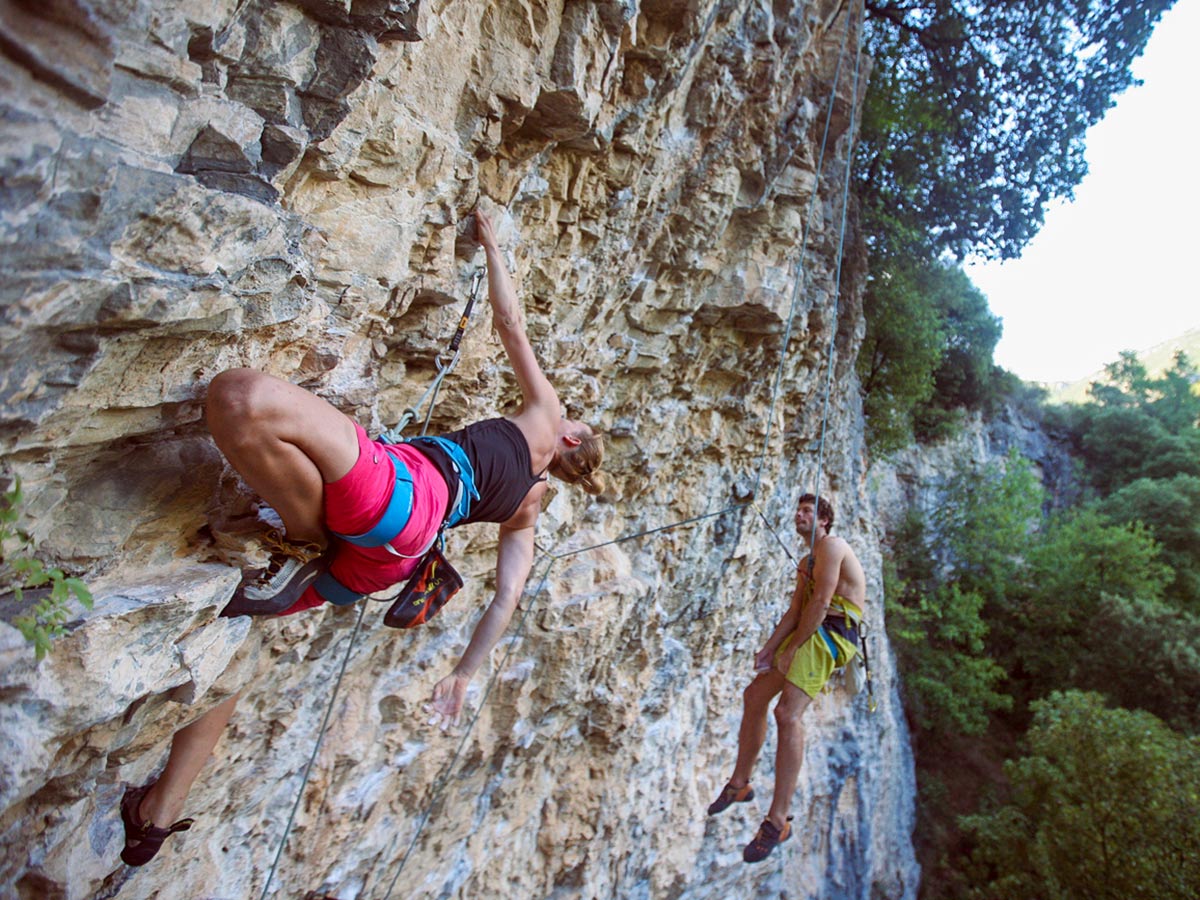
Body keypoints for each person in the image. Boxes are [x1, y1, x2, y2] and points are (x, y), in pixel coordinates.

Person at [118, 209, 607, 866]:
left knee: (239, 397)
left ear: (571, 439)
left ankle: (300, 536)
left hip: (398, 501)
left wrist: (492, 245)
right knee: (235, 637)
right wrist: (462, 675)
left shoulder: (546, 420)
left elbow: (511, 326)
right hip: (382, 563)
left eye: (575, 419)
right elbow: (506, 598)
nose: (565, 412)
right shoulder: (528, 507)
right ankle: (157, 816)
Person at [706, 493, 866, 863]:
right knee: (754, 696)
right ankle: (740, 783)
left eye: (809, 510)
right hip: (815, 628)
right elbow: (796, 609)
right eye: (798, 510)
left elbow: (822, 601)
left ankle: (778, 821)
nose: (800, 514)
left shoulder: (833, 546)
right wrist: (770, 648)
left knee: (787, 714)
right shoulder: (808, 561)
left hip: (834, 633)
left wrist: (794, 649)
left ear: (825, 519)